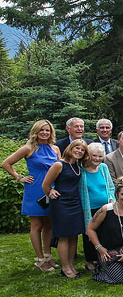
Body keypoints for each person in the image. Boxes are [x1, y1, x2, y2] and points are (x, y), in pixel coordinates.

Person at [2, 119, 60, 272]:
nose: (45, 133)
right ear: (36, 131)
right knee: (36, 225)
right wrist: (19, 177)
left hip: (51, 188)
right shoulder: (28, 148)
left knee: (49, 224)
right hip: (34, 189)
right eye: (42, 130)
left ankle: (48, 255)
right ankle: (40, 259)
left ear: (51, 132)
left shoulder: (55, 149)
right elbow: (6, 163)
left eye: (47, 130)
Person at [85, 177, 123, 284]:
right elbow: (90, 228)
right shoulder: (105, 209)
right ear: (116, 195)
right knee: (119, 280)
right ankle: (102, 271)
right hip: (109, 250)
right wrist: (99, 248)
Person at [43, 139, 88, 278]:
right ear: (70, 148)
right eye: (77, 148)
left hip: (75, 202)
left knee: (74, 236)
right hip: (61, 204)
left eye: (82, 150)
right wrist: (50, 192)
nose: (79, 151)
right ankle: (65, 268)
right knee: (64, 236)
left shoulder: (77, 166)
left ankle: (71, 266)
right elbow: (45, 184)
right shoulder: (59, 164)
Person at [79, 143, 116, 271]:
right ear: (88, 155)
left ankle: (103, 258)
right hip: (89, 208)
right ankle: (90, 260)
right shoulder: (81, 169)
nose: (97, 159)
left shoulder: (103, 167)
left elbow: (111, 186)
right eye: (94, 156)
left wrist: (112, 200)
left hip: (105, 207)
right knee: (89, 233)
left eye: (100, 156)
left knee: (104, 233)